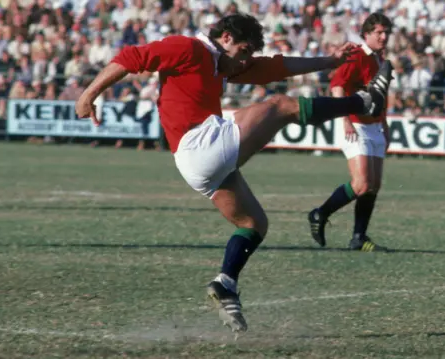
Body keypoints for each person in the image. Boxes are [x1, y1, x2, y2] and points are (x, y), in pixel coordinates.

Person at [75, 13, 393, 333]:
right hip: (199, 144)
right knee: (280, 106)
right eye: (244, 52)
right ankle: (363, 102)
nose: (245, 62)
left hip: (197, 163)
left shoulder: (223, 62)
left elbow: (274, 67)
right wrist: (89, 94)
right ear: (225, 38)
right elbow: (131, 57)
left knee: (253, 223)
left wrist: (328, 60)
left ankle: (225, 284)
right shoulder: (188, 49)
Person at [308, 12, 393, 252]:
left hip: (374, 126)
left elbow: (379, 97)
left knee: (373, 185)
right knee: (362, 183)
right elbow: (337, 85)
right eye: (378, 32)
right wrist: (344, 118)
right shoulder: (356, 54)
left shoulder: (379, 59)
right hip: (356, 125)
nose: (384, 37)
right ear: (366, 34)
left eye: (386, 32)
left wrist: (384, 124)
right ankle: (320, 213)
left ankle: (359, 237)